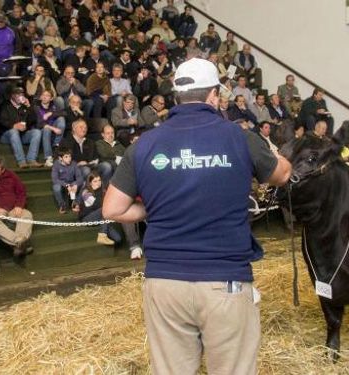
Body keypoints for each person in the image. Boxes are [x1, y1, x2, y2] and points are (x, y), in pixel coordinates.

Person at [102, 58, 291, 374]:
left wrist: (156, 207)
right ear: (215, 95)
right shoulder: (239, 137)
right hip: (225, 280)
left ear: (176, 97)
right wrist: (272, 149)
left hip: (164, 283)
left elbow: (112, 209)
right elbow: (283, 174)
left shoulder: (144, 144)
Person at [0, 86, 43, 168]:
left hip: (22, 135)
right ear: (12, 95)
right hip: (7, 135)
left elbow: (34, 120)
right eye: (18, 94)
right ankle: (21, 161)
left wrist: (29, 106)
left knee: (37, 132)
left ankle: (31, 159)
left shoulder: (25, 106)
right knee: (14, 131)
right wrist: (13, 125)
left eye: (22, 94)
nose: (20, 96)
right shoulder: (6, 106)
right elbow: (1, 121)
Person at [80, 171, 119, 246]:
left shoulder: (102, 191)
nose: (98, 183)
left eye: (99, 180)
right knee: (105, 209)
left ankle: (104, 234)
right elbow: (96, 205)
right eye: (95, 181)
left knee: (118, 238)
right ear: (90, 183)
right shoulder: (86, 192)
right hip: (87, 218)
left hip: (101, 217)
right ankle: (102, 235)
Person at [36, 89, 66, 167]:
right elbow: (39, 123)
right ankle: (48, 157)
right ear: (40, 97)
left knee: (61, 119)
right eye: (43, 95)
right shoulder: (36, 107)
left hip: (53, 130)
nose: (45, 97)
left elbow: (64, 113)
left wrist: (50, 113)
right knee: (47, 129)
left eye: (47, 95)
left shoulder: (53, 106)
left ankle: (56, 144)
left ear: (51, 98)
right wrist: (53, 129)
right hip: (41, 130)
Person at [51, 148, 83, 214]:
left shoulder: (74, 163)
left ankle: (76, 203)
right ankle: (62, 205)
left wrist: (76, 184)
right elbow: (55, 179)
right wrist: (66, 185)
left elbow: (80, 177)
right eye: (66, 157)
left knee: (85, 183)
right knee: (56, 187)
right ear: (60, 158)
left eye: (70, 156)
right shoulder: (56, 164)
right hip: (62, 184)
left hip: (72, 183)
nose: (69, 159)